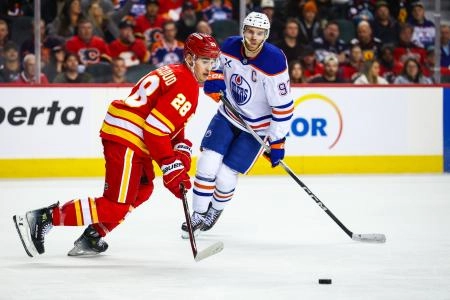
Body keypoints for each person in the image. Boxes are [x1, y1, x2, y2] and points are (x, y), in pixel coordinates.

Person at [13, 32, 220, 258]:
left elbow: (168, 123)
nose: (209, 67)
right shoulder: (187, 85)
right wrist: (170, 165)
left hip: (130, 134)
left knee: (143, 189)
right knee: (116, 204)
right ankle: (43, 218)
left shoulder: (174, 72)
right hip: (129, 136)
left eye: (212, 61)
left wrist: (180, 149)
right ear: (190, 59)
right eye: (204, 61)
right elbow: (154, 129)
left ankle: (93, 235)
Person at [180, 12, 294, 237]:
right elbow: (217, 67)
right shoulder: (230, 45)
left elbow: (283, 108)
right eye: (250, 31)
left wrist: (277, 141)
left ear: (266, 35)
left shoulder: (274, 62)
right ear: (243, 31)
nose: (253, 37)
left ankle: (215, 210)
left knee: (224, 175)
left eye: (259, 33)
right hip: (229, 114)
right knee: (207, 164)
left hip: (257, 128)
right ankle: (198, 215)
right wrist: (214, 79)